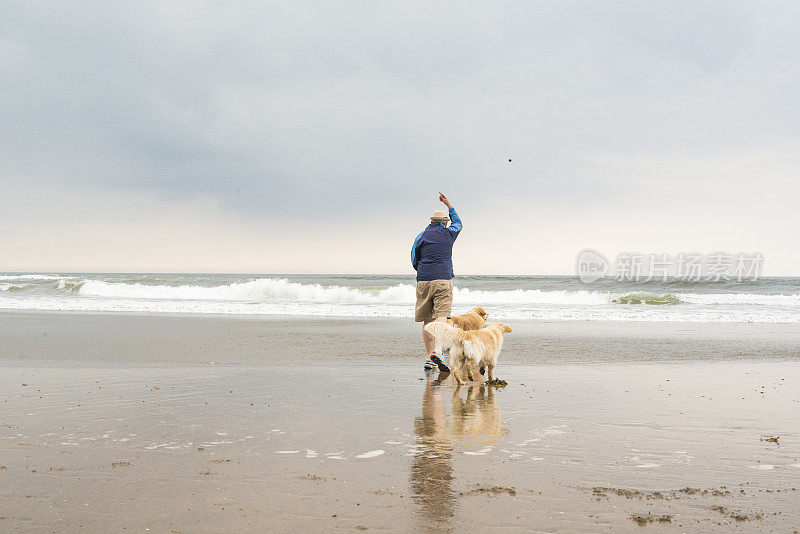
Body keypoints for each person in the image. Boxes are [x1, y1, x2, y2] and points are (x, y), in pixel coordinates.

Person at [411, 192, 462, 372]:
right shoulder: (449, 234)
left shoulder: (421, 236)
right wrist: (449, 204)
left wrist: (424, 271)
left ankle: (429, 358)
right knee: (441, 317)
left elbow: (414, 258)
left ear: (431, 222)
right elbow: (459, 224)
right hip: (443, 279)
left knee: (427, 320)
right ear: (445, 222)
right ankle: (438, 352)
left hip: (423, 279)